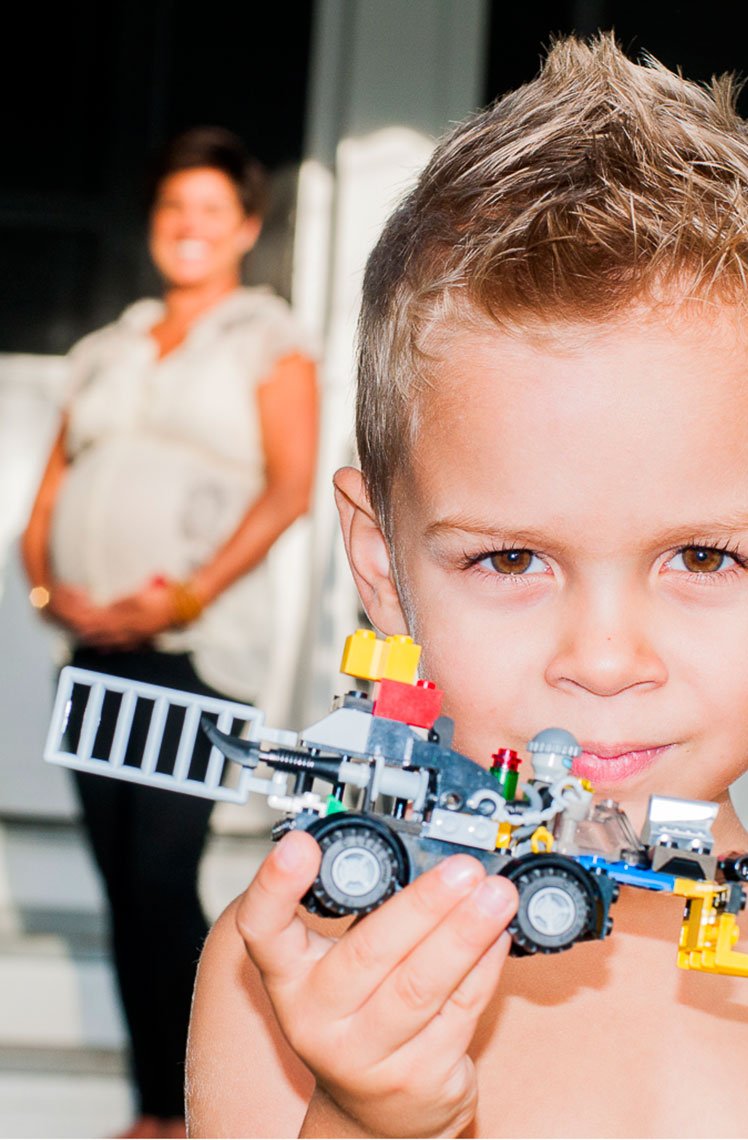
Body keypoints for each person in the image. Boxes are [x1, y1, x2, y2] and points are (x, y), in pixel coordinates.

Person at [185, 38, 748, 1138]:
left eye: (703, 557)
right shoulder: (304, 973)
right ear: (381, 562)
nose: (605, 657)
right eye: (510, 560)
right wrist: (365, 1117)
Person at [22, 127, 318, 1139]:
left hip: (196, 654)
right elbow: (46, 500)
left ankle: (217, 1108)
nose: (188, 227)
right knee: (120, 884)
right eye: (172, 208)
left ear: (245, 226)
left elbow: (288, 490)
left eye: (210, 210)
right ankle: (156, 1111)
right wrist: (48, 589)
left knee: (160, 875)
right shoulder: (107, 347)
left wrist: (182, 598)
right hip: (92, 653)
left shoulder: (267, 337)